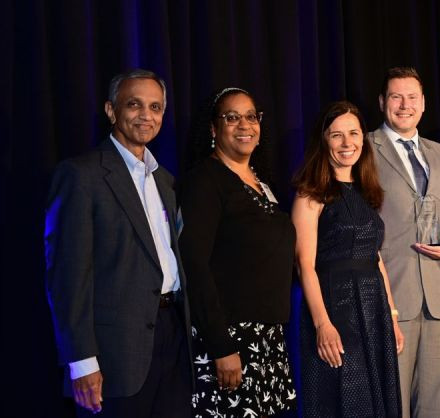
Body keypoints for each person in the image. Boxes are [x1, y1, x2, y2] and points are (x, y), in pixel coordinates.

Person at [44, 69, 192, 417]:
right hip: (115, 354)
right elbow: (67, 277)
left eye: (155, 107)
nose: (146, 115)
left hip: (172, 341)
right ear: (111, 110)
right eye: (134, 104)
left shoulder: (166, 181)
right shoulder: (81, 175)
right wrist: (81, 362)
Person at [368, 66, 440, 418]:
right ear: (383, 101)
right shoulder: (365, 148)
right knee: (392, 405)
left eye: (412, 97)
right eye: (396, 96)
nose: (405, 105)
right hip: (391, 299)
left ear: (424, 103)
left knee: (433, 408)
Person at [179, 87, 296, 416]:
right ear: (214, 129)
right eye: (232, 117)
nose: (244, 124)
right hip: (230, 340)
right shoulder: (205, 180)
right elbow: (194, 265)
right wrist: (221, 346)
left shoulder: (260, 181)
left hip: (266, 339)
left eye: (251, 116)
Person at [292, 100, 403, 417]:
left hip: (374, 311)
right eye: (336, 135)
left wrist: (392, 317)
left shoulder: (367, 189)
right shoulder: (310, 193)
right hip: (336, 311)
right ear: (323, 140)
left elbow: (375, 257)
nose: (347, 143)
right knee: (346, 402)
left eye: (353, 133)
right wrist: (322, 324)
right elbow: (305, 266)